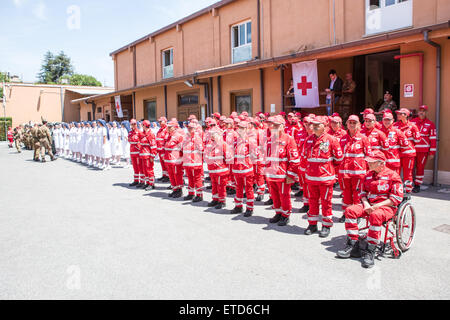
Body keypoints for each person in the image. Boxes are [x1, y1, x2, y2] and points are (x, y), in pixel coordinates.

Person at [337, 150, 404, 268]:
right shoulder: (367, 175)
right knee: (350, 211)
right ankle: (354, 244)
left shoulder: (393, 175)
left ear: (381, 163)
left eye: (372, 162)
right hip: (368, 204)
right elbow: (362, 193)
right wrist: (367, 204)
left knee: (376, 216)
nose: (369, 164)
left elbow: (396, 198)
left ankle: (370, 250)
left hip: (386, 207)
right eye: (369, 161)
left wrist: (377, 206)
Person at [303, 115, 343, 238]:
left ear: (325, 126)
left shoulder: (331, 140)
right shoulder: (308, 139)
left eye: (317, 125)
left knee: (326, 203)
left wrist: (327, 169)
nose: (314, 127)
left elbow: (339, 159)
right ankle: (312, 224)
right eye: (313, 125)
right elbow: (305, 157)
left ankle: (326, 226)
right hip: (311, 178)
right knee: (312, 202)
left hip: (325, 178)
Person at [265, 115, 300, 226]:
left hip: (283, 175)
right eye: (272, 125)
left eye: (277, 125)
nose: (274, 127)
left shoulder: (289, 139)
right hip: (272, 174)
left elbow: (294, 160)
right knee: (274, 195)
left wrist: (291, 175)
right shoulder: (270, 140)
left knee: (284, 195)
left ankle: (285, 215)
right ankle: (278, 212)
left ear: (283, 126)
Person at [338, 115, 372, 222]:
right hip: (344, 173)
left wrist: (368, 173)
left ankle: (357, 214)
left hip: (358, 174)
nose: (352, 125)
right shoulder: (342, 139)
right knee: (346, 195)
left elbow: (369, 156)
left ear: (359, 125)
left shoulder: (363, 139)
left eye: (354, 123)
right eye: (350, 123)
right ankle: (346, 213)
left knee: (357, 195)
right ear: (346, 124)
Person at [230, 121, 258, 215]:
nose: (240, 130)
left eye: (242, 128)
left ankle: (249, 208)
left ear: (246, 129)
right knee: (238, 188)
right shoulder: (235, 141)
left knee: (249, 189)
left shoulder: (251, 141)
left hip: (247, 170)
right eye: (239, 128)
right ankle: (238, 206)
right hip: (237, 169)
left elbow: (255, 155)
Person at [394, 108, 420, 196]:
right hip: (397, 153)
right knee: (396, 172)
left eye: (400, 114)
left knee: (407, 173)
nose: (398, 115)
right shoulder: (395, 125)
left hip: (409, 153)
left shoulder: (413, 126)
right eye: (398, 114)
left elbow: (417, 139)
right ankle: (396, 189)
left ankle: (408, 191)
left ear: (406, 115)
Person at [205, 127, 233, 209]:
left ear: (218, 135)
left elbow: (229, 157)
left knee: (221, 186)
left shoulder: (223, 144)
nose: (212, 136)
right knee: (214, 185)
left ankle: (222, 201)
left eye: (214, 134)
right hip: (212, 170)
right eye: (211, 134)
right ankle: (215, 199)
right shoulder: (210, 144)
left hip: (221, 170)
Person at [410, 105, 437, 193]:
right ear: (418, 112)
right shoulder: (412, 122)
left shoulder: (430, 124)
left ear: (426, 113)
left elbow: (433, 138)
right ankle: (408, 184)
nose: (421, 112)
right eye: (420, 111)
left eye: (423, 111)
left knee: (420, 167)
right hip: (412, 150)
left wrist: (432, 152)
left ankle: (417, 185)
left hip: (423, 151)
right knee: (409, 167)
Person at [380, 111, 408, 175]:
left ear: (393, 120)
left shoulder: (398, 132)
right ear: (382, 120)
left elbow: (405, 145)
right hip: (382, 163)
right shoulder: (378, 132)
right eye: (385, 120)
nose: (387, 122)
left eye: (388, 120)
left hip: (394, 163)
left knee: (394, 181)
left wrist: (397, 154)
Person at [182, 122, 204, 202]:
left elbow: (201, 149)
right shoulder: (186, 137)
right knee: (190, 178)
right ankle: (191, 193)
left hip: (195, 162)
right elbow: (182, 147)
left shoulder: (197, 137)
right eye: (188, 128)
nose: (189, 129)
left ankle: (199, 195)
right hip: (188, 162)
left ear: (195, 129)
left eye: (191, 128)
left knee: (197, 179)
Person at [165, 120, 185, 198]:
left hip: (176, 161)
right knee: (171, 176)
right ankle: (174, 189)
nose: (168, 128)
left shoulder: (179, 136)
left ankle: (179, 191)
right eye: (168, 127)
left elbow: (182, 148)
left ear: (174, 127)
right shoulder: (168, 136)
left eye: (170, 127)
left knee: (177, 175)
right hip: (168, 160)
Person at [139, 120, 158, 190]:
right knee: (145, 169)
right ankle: (147, 182)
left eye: (142, 125)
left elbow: (153, 146)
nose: (141, 126)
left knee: (149, 169)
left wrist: (152, 156)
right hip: (143, 154)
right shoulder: (143, 133)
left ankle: (151, 184)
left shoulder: (150, 134)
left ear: (145, 125)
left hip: (148, 155)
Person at [128, 119, 143, 187]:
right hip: (132, 151)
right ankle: (136, 180)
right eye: (132, 124)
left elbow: (142, 141)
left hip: (138, 151)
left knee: (140, 166)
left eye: (134, 124)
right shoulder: (130, 132)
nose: (133, 125)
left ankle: (142, 181)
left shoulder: (139, 132)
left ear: (136, 124)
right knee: (135, 167)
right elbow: (129, 140)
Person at [156, 117, 170, 182]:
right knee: (162, 164)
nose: (159, 123)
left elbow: (166, 140)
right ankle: (164, 175)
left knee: (166, 164)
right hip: (160, 150)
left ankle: (168, 176)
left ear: (165, 121)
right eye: (159, 122)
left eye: (161, 121)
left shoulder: (167, 129)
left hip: (164, 150)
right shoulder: (160, 130)